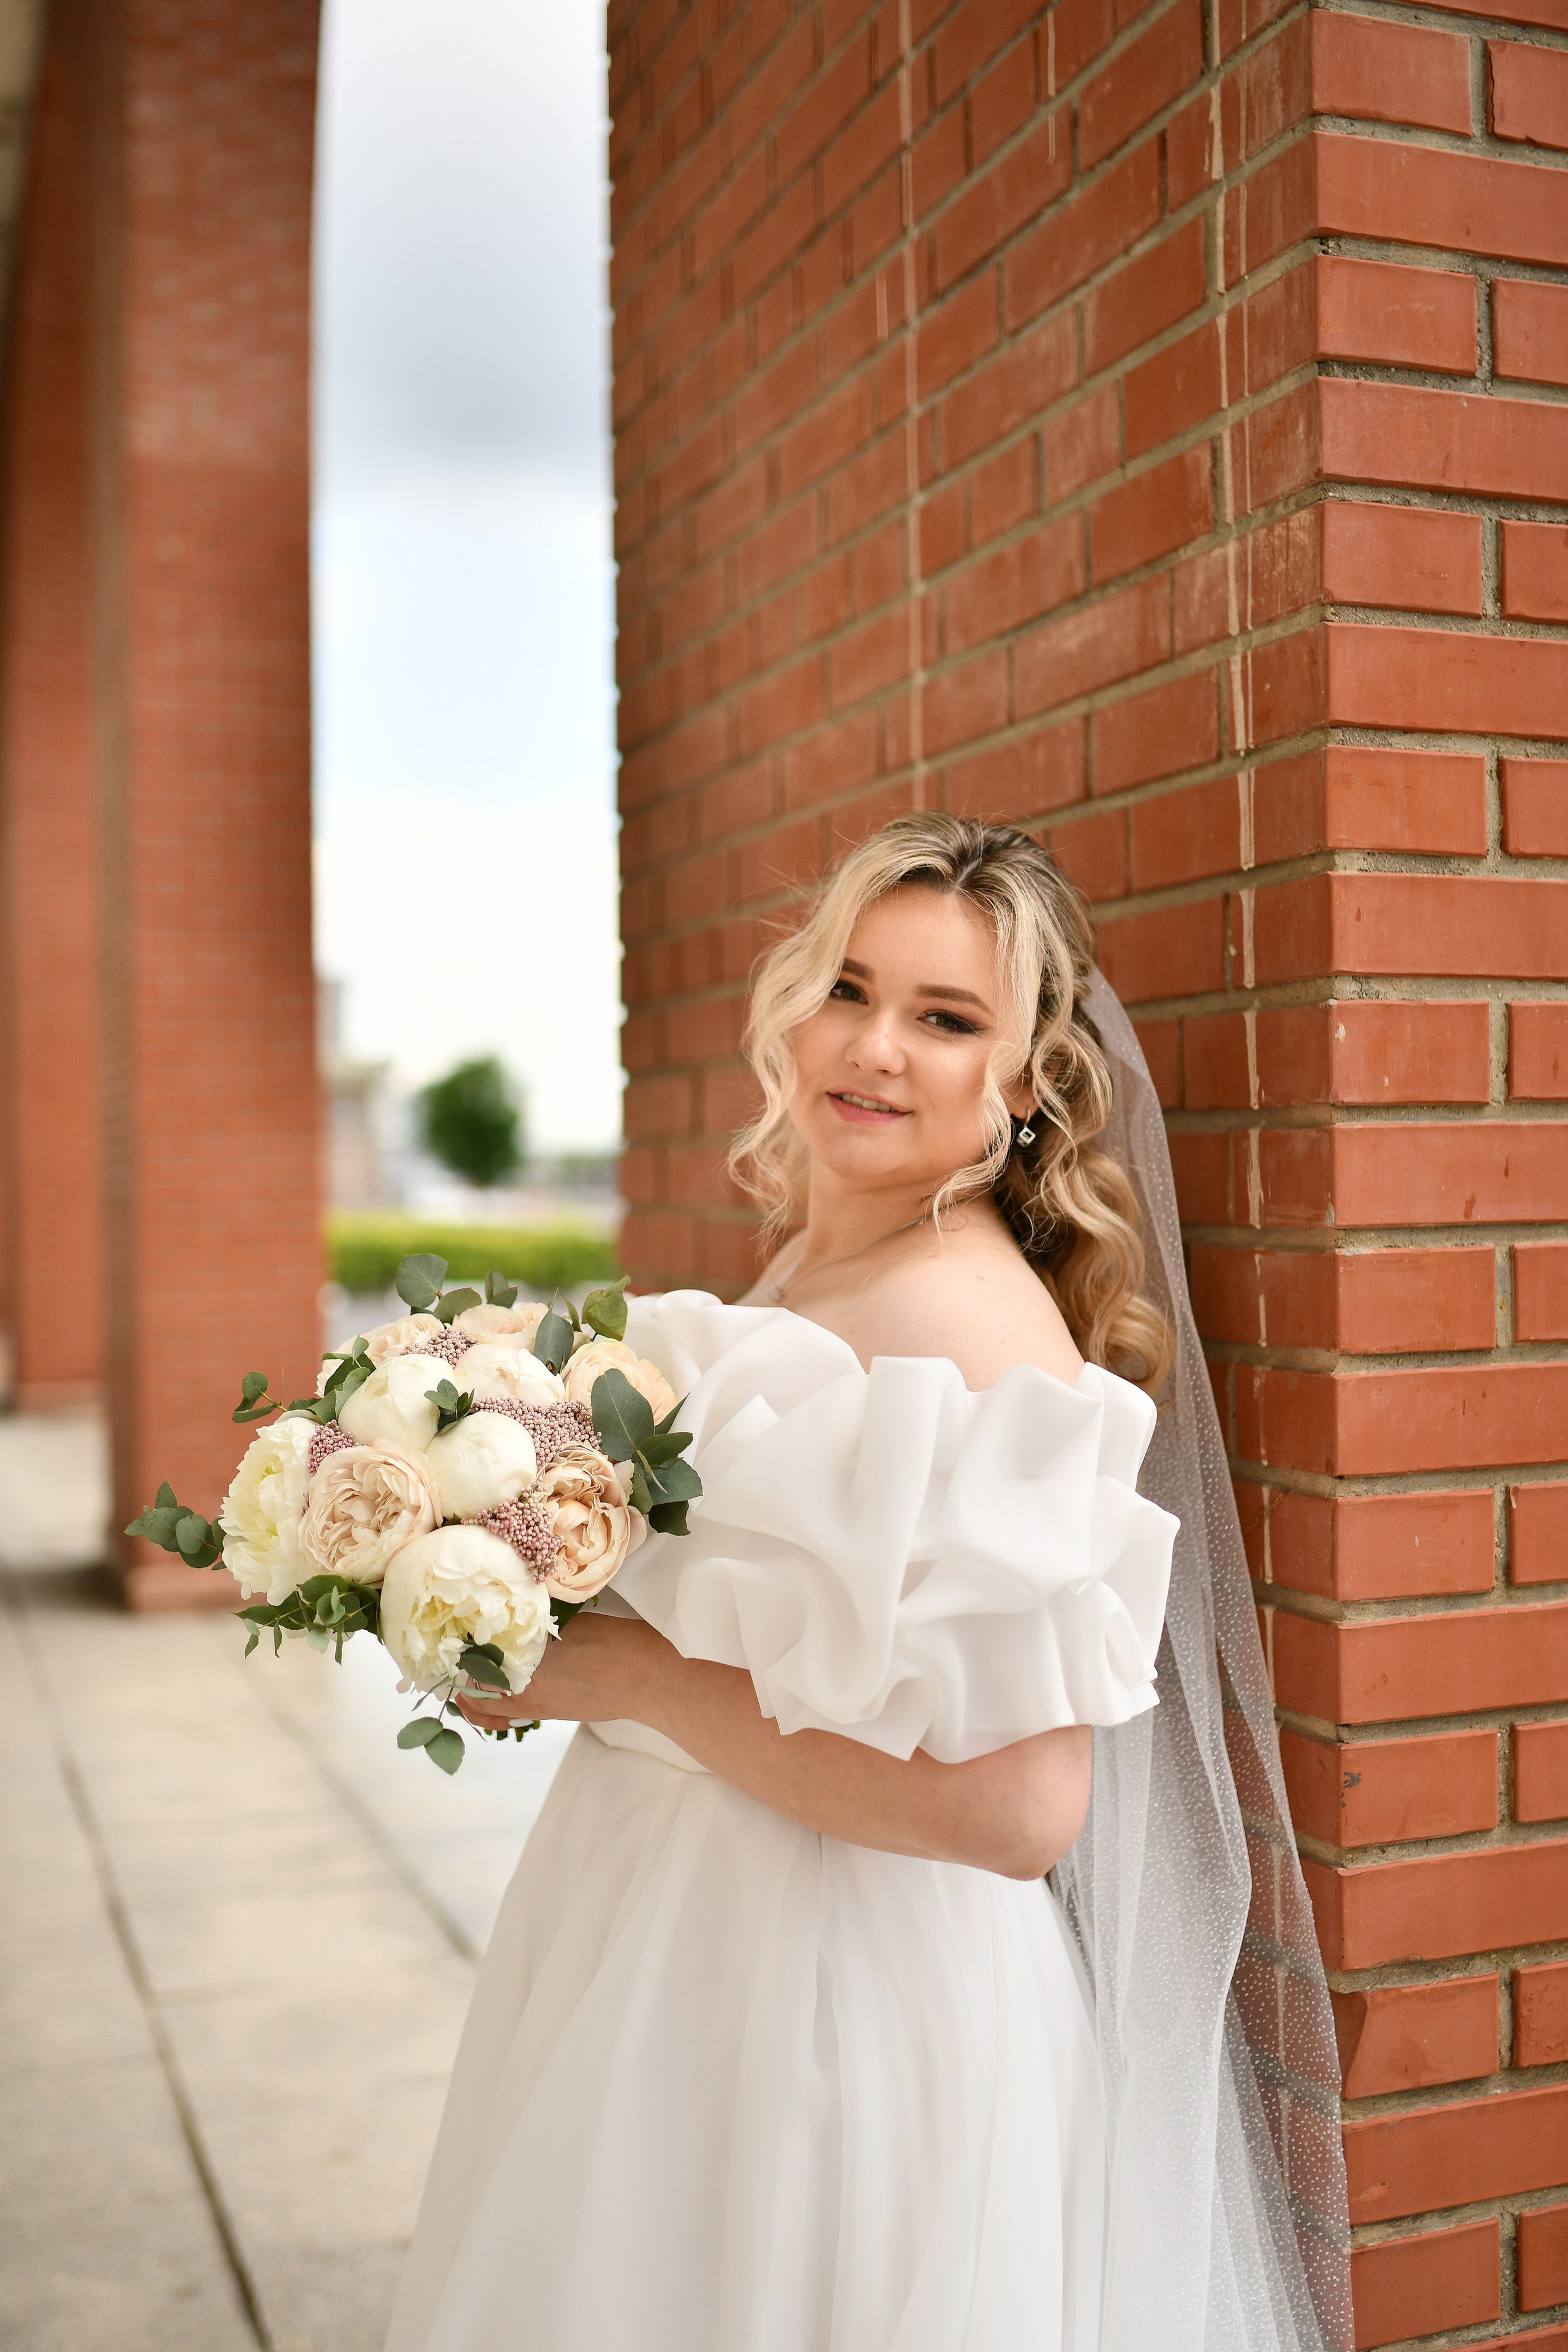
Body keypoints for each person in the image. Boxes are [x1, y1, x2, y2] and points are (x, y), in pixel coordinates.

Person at [384, 814, 1350, 2352]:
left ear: (1024, 1082)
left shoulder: (973, 1329)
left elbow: (1020, 1810)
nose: (874, 1045)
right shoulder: (808, 1270)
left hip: (834, 2007)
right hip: (665, 1935)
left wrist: (628, 1682)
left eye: (944, 1017)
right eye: (848, 988)